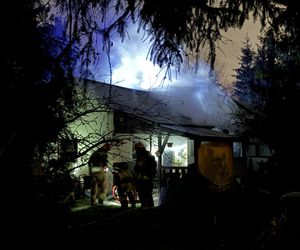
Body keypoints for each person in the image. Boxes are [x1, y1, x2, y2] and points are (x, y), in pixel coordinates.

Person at [134, 142, 157, 208]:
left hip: (144, 178)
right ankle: (148, 207)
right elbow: (136, 168)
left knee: (145, 193)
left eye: (136, 150)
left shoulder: (145, 157)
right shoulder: (147, 156)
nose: (136, 152)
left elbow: (137, 168)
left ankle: (147, 207)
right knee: (146, 193)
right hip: (144, 178)